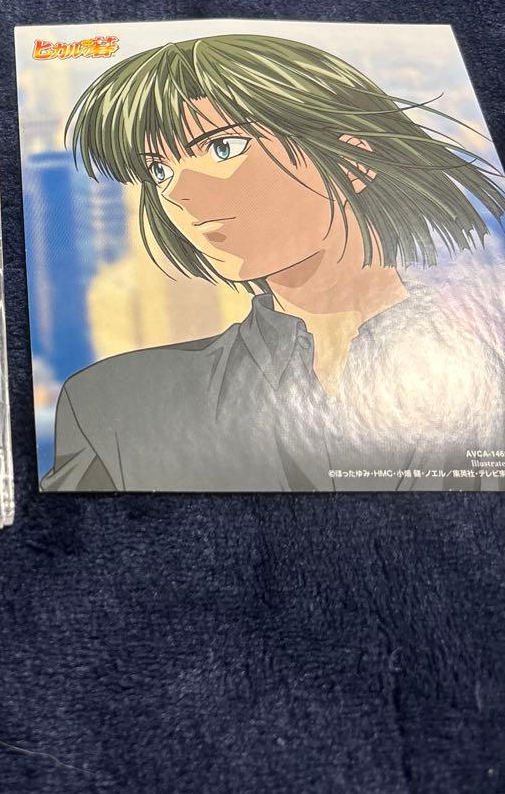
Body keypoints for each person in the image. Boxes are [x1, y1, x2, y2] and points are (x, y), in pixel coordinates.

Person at [43, 34, 505, 493]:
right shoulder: (112, 408)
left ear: (354, 161)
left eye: (223, 147)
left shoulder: (486, 379)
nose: (178, 192)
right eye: (158, 170)